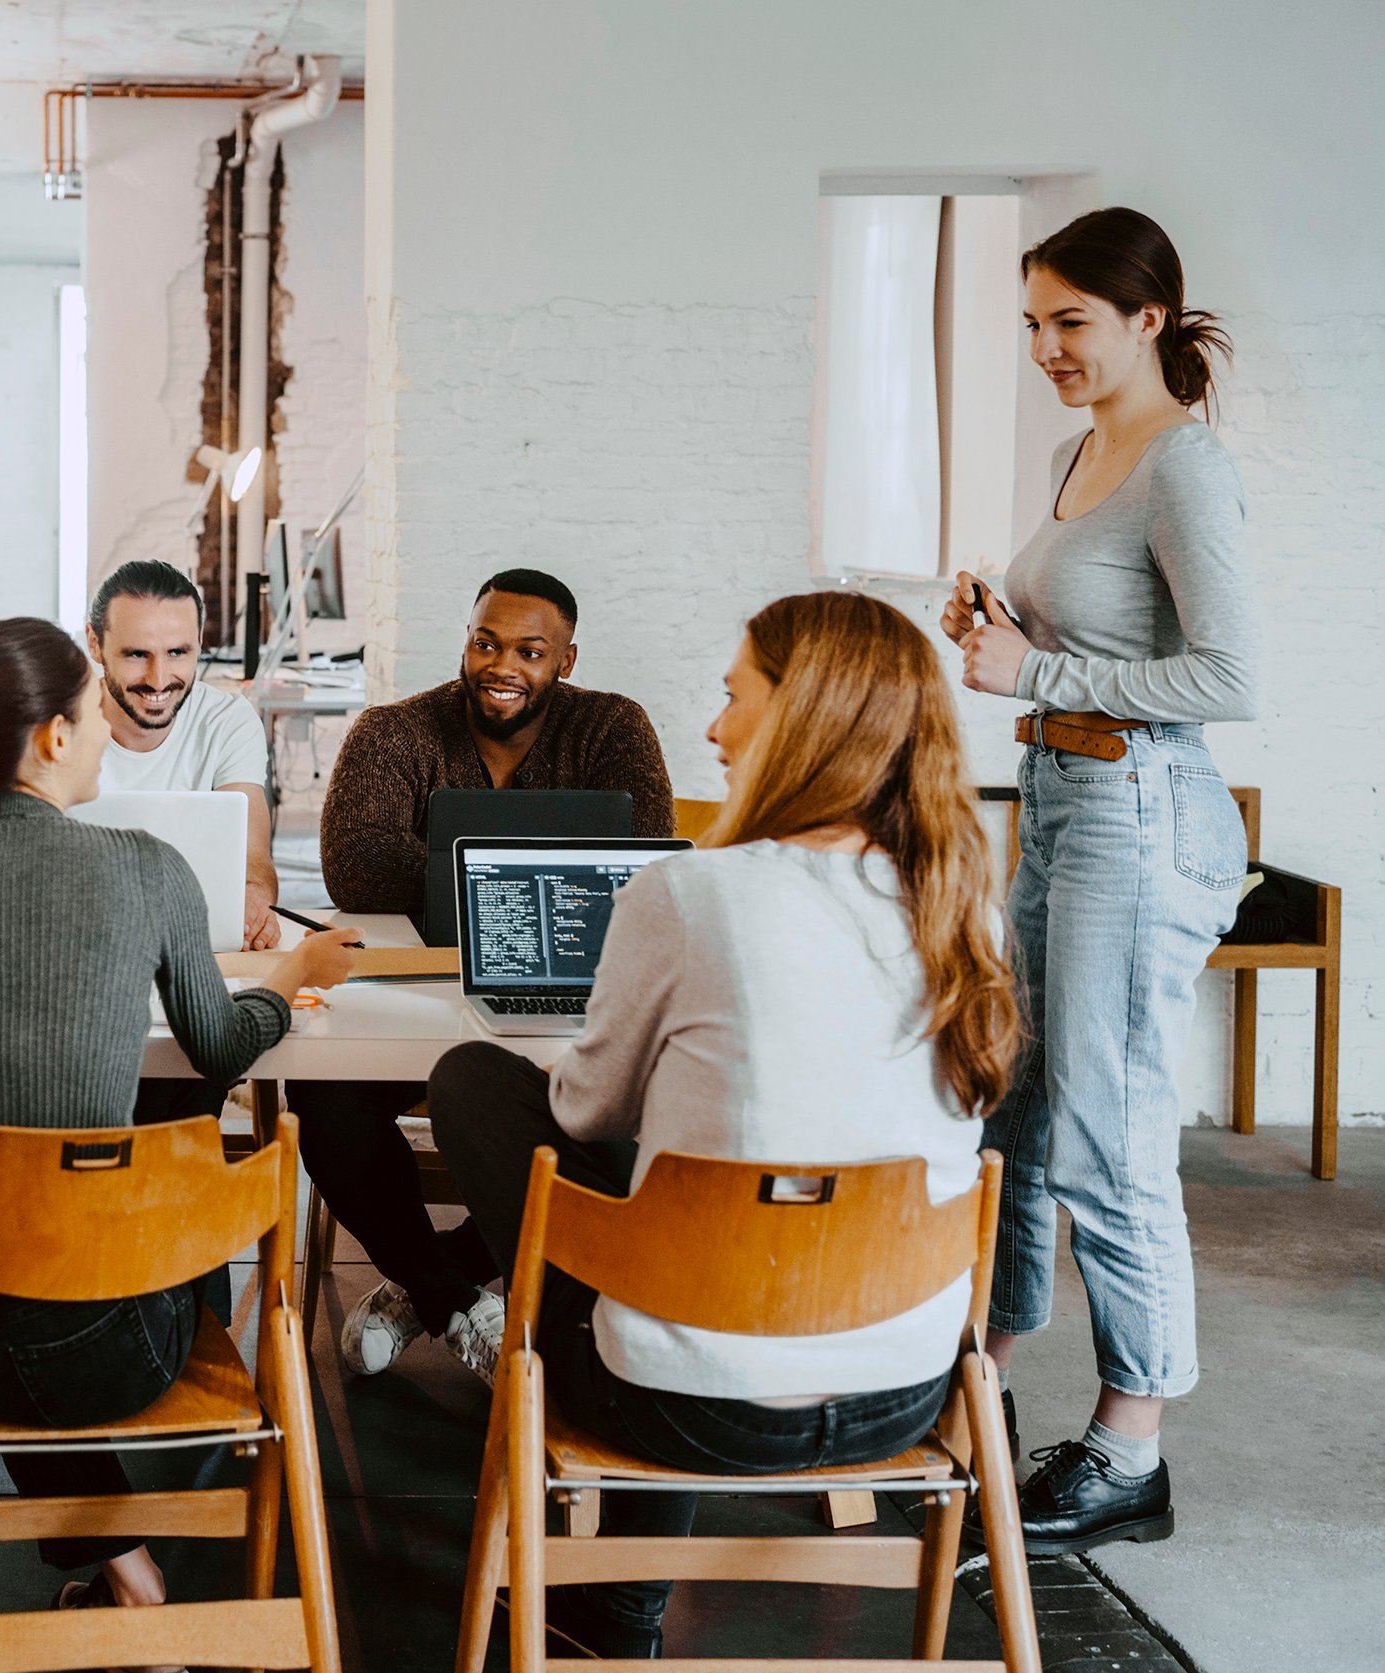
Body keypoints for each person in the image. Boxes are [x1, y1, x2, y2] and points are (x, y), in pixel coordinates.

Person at [427, 590, 1018, 1657]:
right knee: (708, 1210)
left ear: (800, 716)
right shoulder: (962, 901)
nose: (712, 727)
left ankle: (612, 1610)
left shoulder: (689, 892)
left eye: (731, 695)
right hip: (906, 1389)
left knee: (481, 1082)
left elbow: (582, 1106)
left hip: (692, 1404)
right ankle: (616, 1610)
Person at [0, 617, 358, 1623]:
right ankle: (124, 1556)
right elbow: (221, 1047)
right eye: (93, 711)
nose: (103, 733)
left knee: (1, 1245)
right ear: (51, 736)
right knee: (157, 1242)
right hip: (105, 1354)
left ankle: (114, 1550)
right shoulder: (145, 868)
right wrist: (291, 980)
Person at [939, 206, 1252, 1554]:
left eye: (1071, 322)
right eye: (1032, 325)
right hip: (1063, 794)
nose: (1046, 349)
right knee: (1014, 1096)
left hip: (1142, 806)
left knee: (1110, 1138)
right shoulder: (1085, 450)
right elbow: (1096, 635)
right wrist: (1004, 632)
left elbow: (1228, 680)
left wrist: (1039, 671)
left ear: (1146, 319)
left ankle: (1133, 1449)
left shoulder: (1182, 464)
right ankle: (979, 1381)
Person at [305, 568, 675, 1382]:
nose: (501, 664)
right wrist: (536, 884)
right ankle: (453, 1297)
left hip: (572, 1007)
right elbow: (355, 865)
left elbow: (641, 862)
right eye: (486, 641)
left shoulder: (613, 728)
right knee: (324, 1093)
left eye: (529, 650)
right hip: (416, 1000)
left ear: (566, 661)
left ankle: (425, 1283)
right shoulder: (394, 733)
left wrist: (454, 872)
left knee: (621, 1112)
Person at [87, 559, 281, 950]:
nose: (159, 680)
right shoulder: (56, 724)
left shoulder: (228, 721)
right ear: (95, 643)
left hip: (193, 947)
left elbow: (253, 860)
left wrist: (252, 904)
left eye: (178, 652)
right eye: (137, 654)